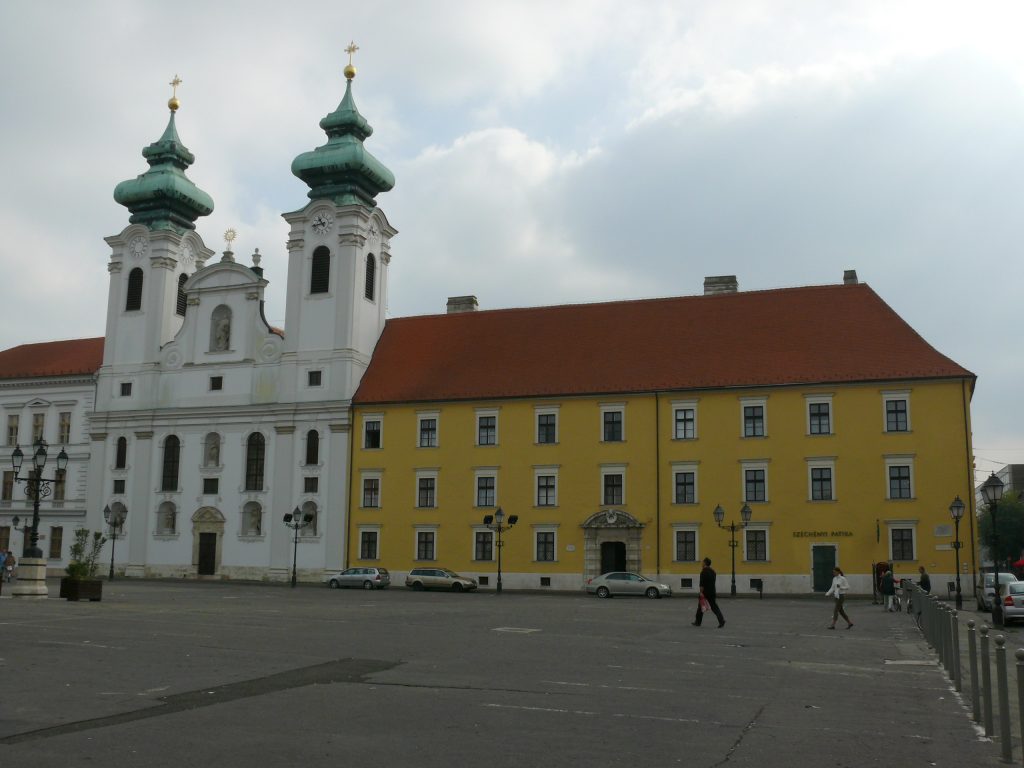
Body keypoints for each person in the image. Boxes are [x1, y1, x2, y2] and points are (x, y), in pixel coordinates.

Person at [692, 557, 726, 628]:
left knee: (700, 607)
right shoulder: (713, 571)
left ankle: (698, 622)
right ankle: (721, 620)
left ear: (705, 563)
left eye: (702, 562)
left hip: (705, 592)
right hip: (712, 591)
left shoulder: (703, 572)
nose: (702, 563)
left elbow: (702, 584)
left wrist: (701, 592)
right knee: (714, 607)